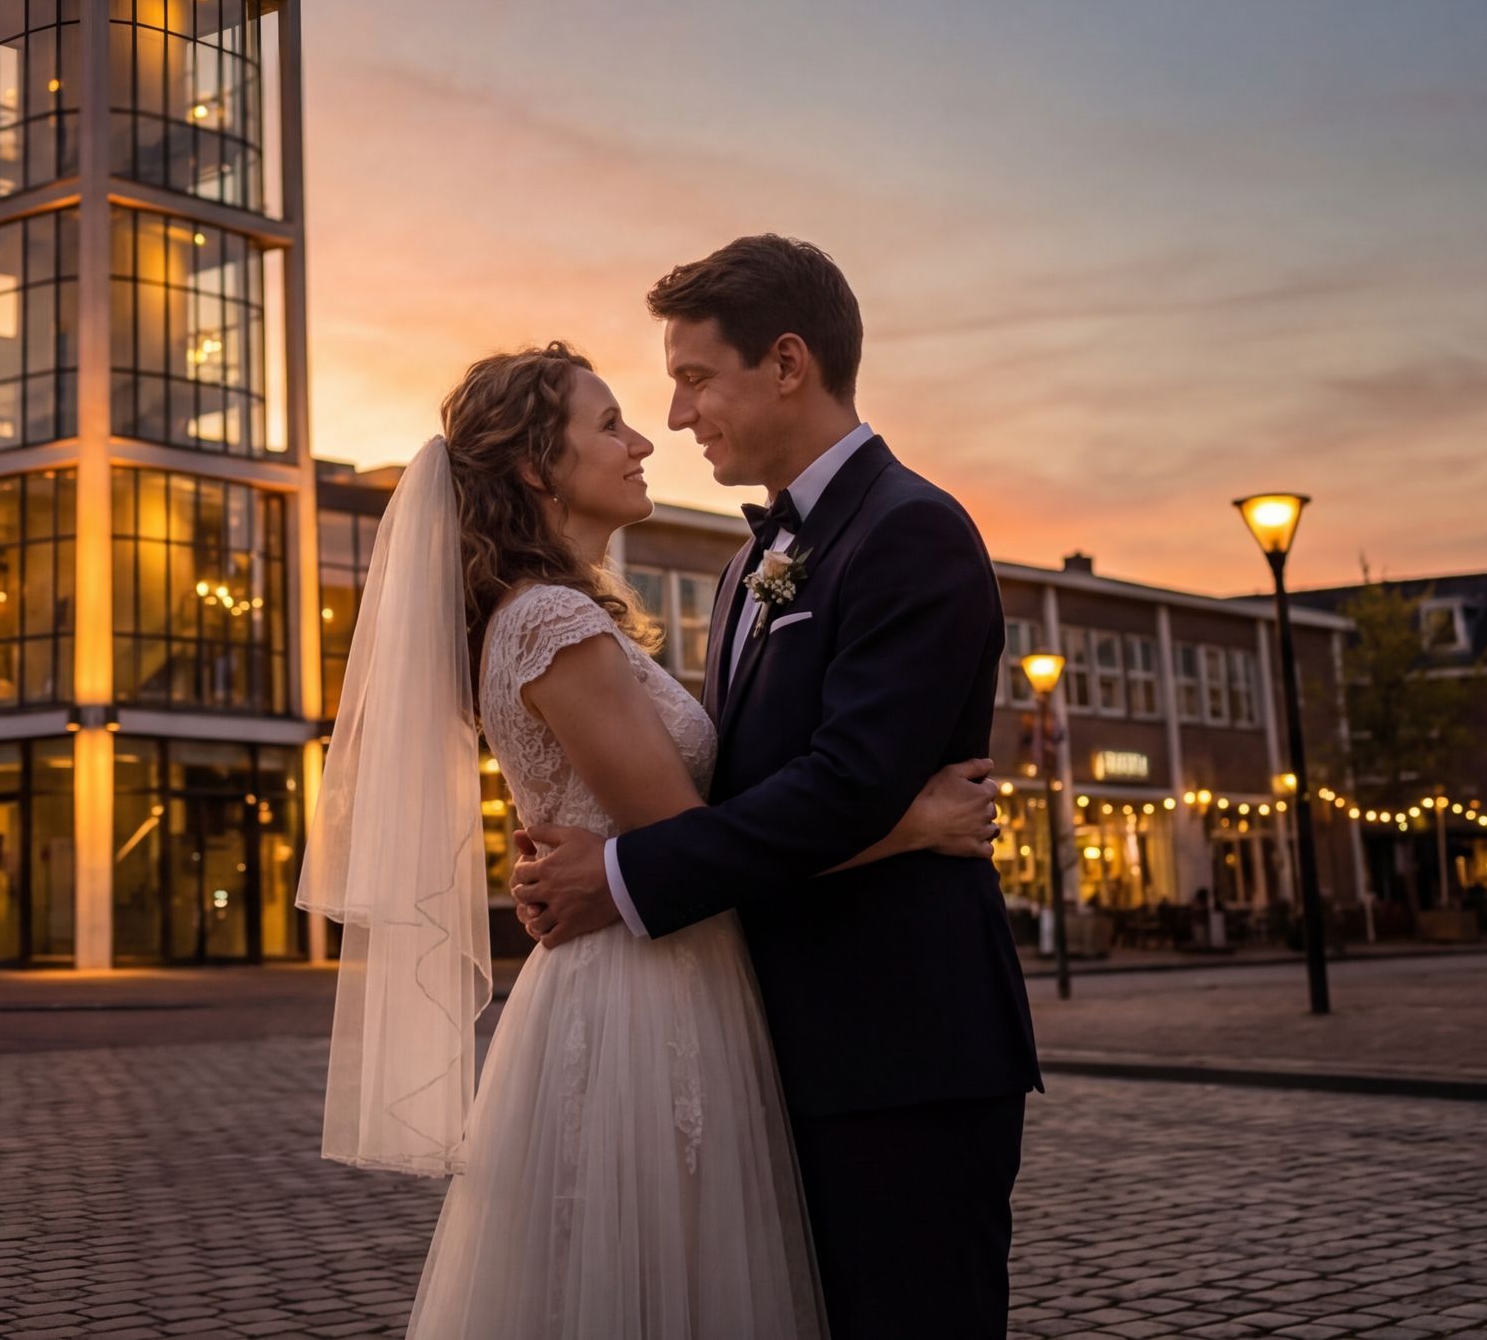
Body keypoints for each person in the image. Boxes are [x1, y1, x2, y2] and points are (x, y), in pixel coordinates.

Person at [299, 334, 1001, 1338]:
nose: (646, 440)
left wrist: (614, 861)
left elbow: (671, 828)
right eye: (610, 423)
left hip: (654, 968)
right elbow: (685, 837)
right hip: (643, 990)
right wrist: (909, 824)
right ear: (541, 465)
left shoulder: (562, 616)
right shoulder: (551, 622)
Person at [511, 236, 1043, 1340]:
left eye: (697, 375)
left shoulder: (913, 531)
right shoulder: (748, 564)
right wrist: (906, 824)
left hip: (898, 1049)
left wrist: (622, 875)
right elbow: (761, 788)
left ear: (788, 362)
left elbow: (843, 781)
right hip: (769, 1048)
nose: (678, 408)